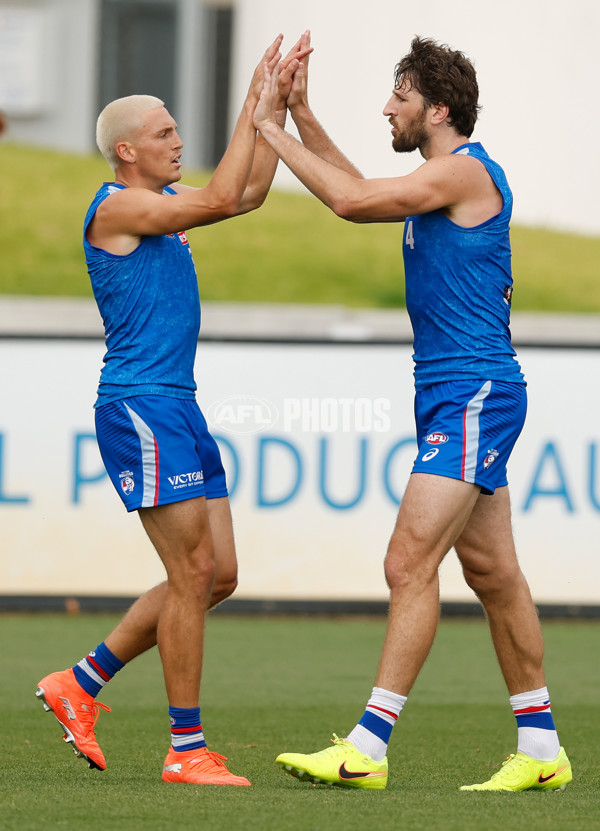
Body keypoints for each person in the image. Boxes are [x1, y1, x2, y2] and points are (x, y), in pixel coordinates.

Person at [253, 34, 572, 793]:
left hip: (473, 394)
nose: (387, 108)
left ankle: (367, 745)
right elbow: (361, 189)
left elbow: (348, 198)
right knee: (494, 574)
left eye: (399, 96)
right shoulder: (439, 177)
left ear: (436, 108)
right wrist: (299, 112)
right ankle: (542, 748)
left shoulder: (462, 172)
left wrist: (266, 125)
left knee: (407, 562)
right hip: (460, 394)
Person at [35, 33, 312, 788]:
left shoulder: (156, 203)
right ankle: (185, 749)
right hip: (141, 406)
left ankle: (79, 683)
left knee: (216, 574)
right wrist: (256, 97)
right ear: (126, 152)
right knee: (191, 571)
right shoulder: (120, 206)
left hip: (177, 404)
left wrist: (276, 106)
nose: (177, 140)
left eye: (177, 129)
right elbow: (226, 193)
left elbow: (247, 196)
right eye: (162, 133)